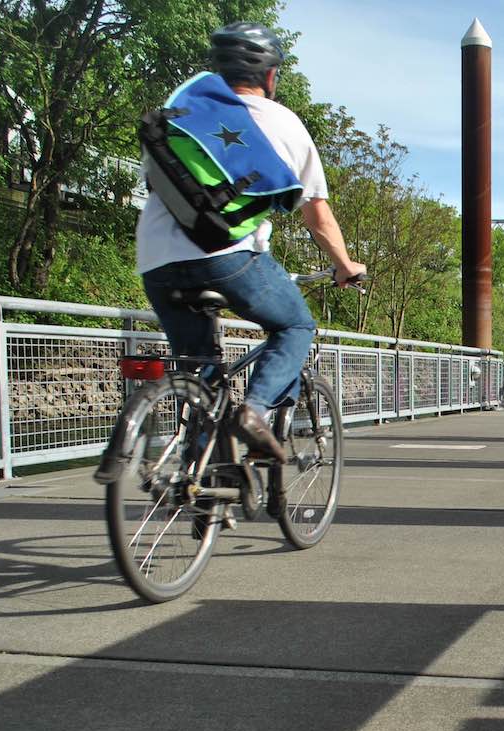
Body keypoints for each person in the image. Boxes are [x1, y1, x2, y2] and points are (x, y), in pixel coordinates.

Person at [135, 22, 364, 463]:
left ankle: (200, 483)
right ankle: (255, 412)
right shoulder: (284, 123)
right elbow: (318, 216)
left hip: (156, 259)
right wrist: (344, 264)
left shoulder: (183, 112)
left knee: (199, 376)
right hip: (228, 256)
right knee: (295, 325)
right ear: (270, 76)